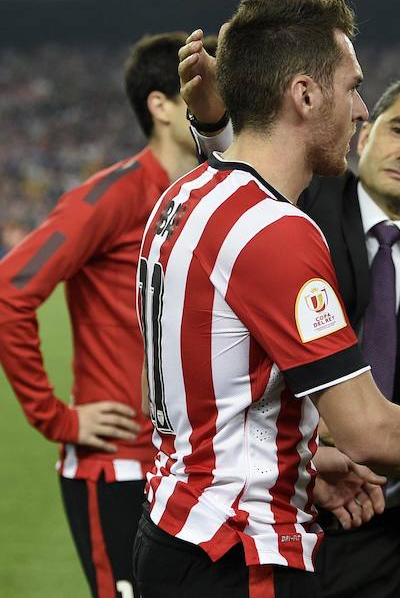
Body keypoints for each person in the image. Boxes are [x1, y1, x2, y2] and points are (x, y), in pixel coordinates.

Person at [133, 0, 400, 598]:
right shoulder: (277, 231)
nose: (360, 108)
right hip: (243, 552)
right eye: (352, 86)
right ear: (307, 95)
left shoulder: (185, 194)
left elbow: (227, 393)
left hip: (178, 525)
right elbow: (366, 428)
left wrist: (304, 459)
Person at [0, 32, 208, 598]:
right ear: (161, 106)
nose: (221, 108)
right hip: (120, 466)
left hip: (199, 466)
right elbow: (9, 291)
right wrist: (57, 419)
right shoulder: (109, 196)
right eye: (202, 92)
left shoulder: (217, 199)